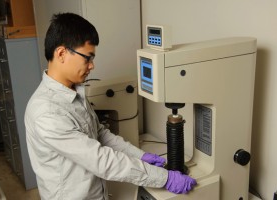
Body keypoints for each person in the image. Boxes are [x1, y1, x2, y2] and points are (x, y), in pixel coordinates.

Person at [24, 12, 196, 200]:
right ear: (62, 53)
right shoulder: (47, 112)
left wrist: (140, 156)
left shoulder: (74, 92)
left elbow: (100, 135)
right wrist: (164, 178)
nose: (92, 66)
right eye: (87, 58)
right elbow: (102, 161)